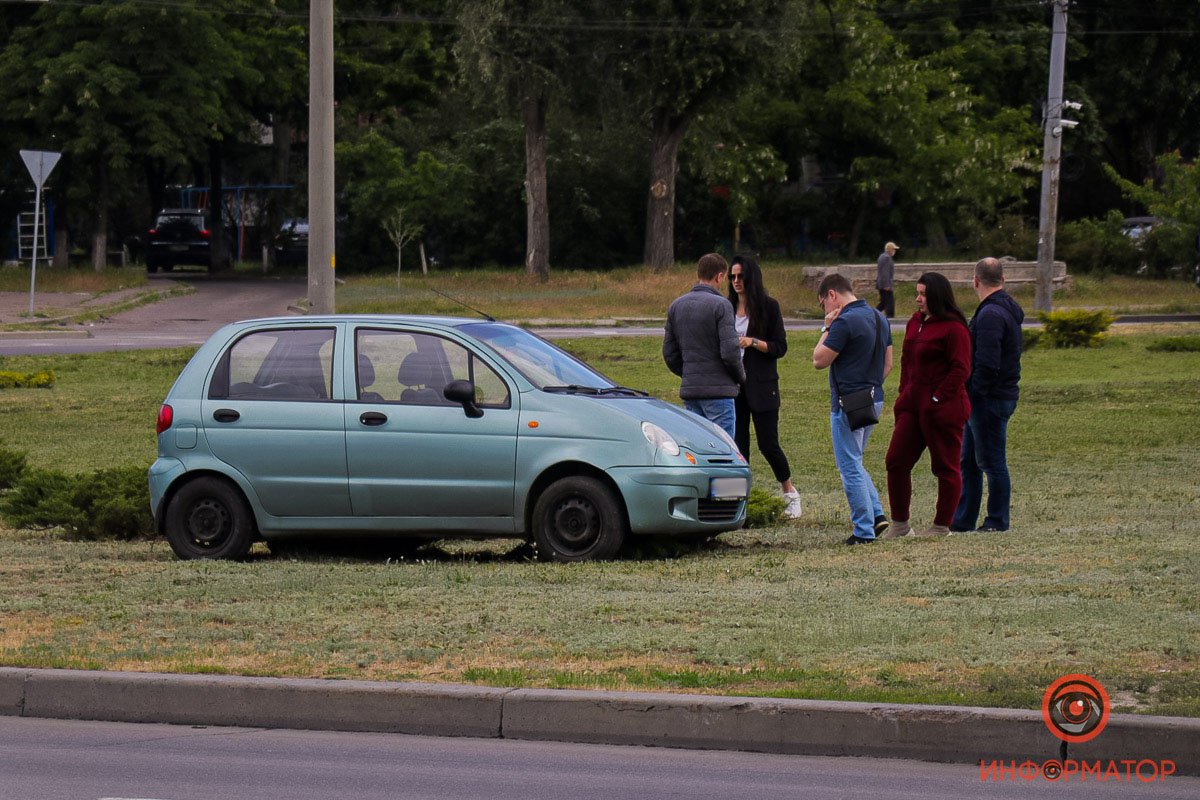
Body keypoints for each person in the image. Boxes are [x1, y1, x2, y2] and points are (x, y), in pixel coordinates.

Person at [883, 272, 972, 538]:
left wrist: (937, 398)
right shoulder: (914, 322)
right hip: (912, 404)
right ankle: (900, 524)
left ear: (936, 296)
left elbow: (961, 369)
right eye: (917, 293)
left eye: (923, 294)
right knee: (896, 461)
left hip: (943, 409)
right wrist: (903, 394)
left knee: (945, 467)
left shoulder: (954, 328)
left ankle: (941, 526)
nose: (918, 299)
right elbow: (906, 361)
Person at [812, 273, 893, 545]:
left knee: (849, 466)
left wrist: (826, 328)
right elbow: (889, 364)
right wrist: (870, 387)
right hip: (874, 398)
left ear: (832, 295)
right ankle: (877, 514)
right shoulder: (879, 317)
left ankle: (863, 531)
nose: (825, 309)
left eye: (823, 303)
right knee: (855, 459)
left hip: (848, 402)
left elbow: (819, 360)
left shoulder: (844, 321)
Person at [950, 257, 1024, 533]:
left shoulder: (991, 315)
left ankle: (997, 520)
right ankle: (963, 518)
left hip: (988, 398)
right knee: (968, 459)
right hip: (994, 395)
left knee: (992, 462)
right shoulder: (1002, 309)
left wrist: (972, 394)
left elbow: (987, 363)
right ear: (1003, 280)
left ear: (975, 281)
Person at [728, 255, 801, 519]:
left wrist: (753, 342)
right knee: (738, 447)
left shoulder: (769, 307)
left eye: (740, 276)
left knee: (768, 444)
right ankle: (739, 500)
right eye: (732, 277)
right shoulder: (725, 307)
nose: (736, 281)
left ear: (751, 278)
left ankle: (790, 493)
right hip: (734, 387)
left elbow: (780, 347)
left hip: (762, 386)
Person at [664, 253, 745, 439]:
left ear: (698, 273)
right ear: (720, 276)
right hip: (719, 391)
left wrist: (690, 373)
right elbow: (730, 352)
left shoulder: (676, 306)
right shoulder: (721, 305)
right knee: (722, 448)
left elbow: (669, 353)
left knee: (698, 446)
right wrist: (740, 377)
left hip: (691, 391)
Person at [875, 241, 898, 318]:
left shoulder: (882, 256)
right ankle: (890, 316)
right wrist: (887, 285)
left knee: (883, 302)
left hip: (881, 283)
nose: (895, 251)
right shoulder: (887, 258)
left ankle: (873, 314)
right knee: (889, 302)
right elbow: (885, 272)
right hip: (885, 284)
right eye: (894, 249)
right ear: (890, 249)